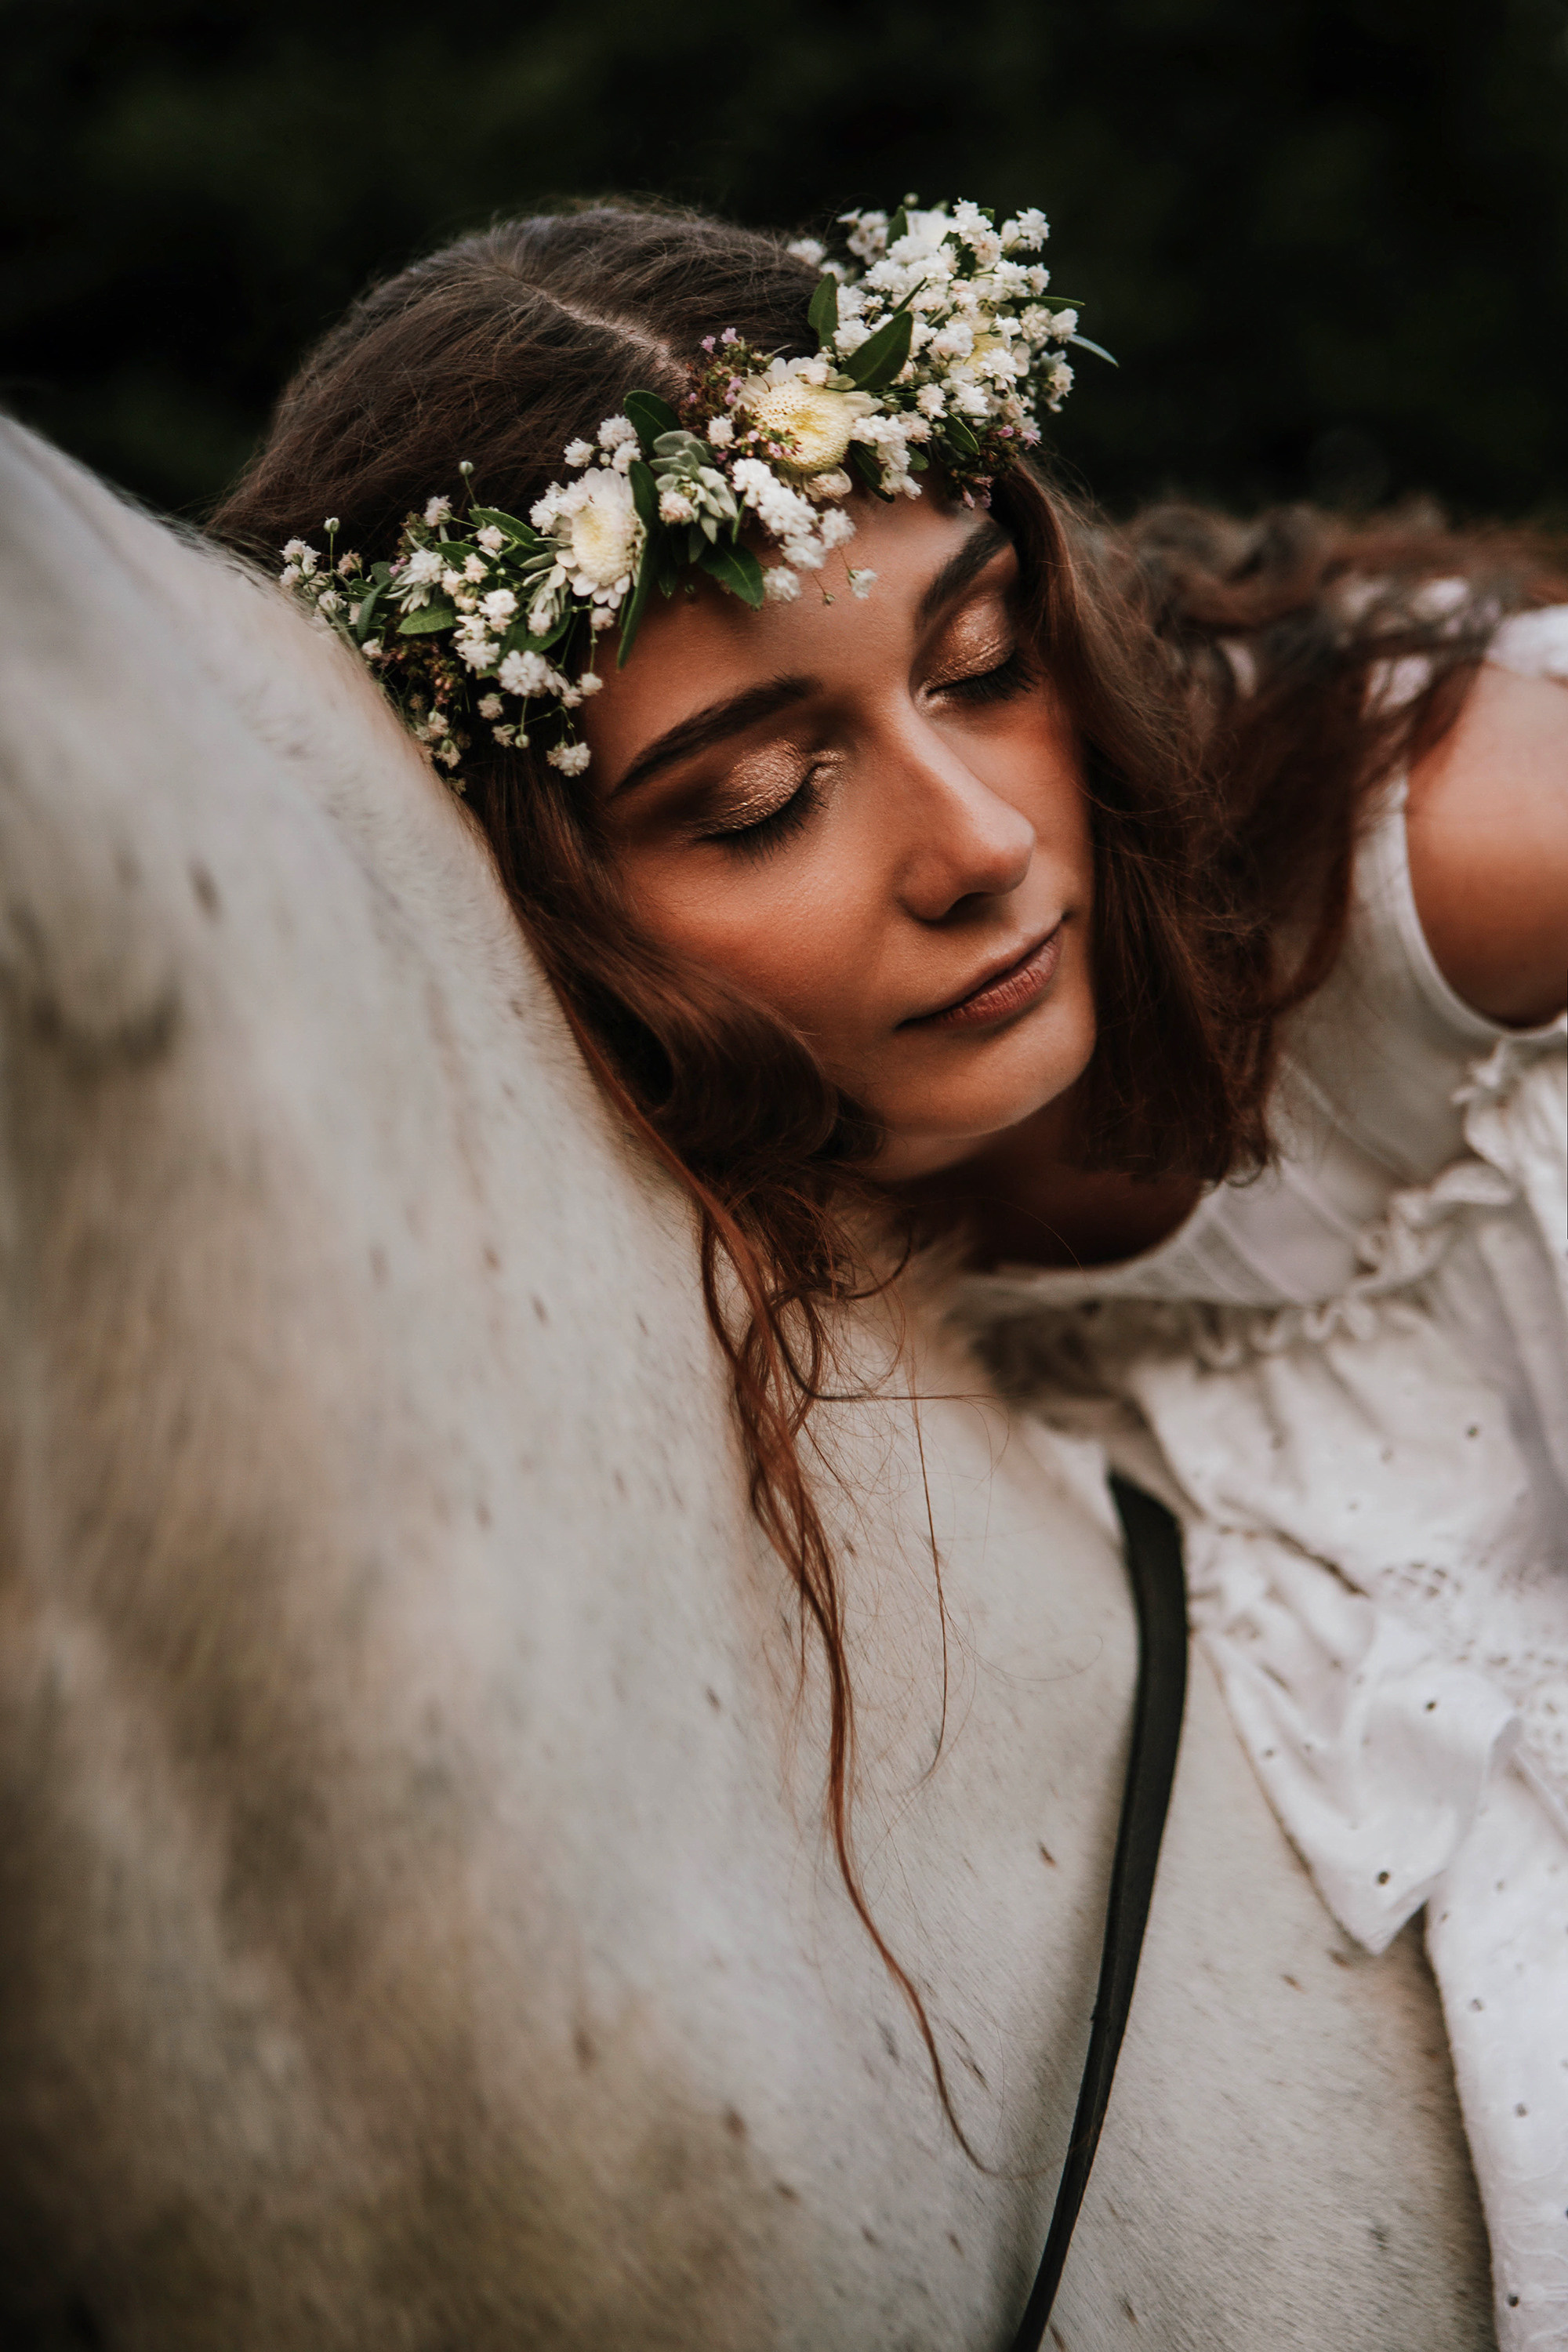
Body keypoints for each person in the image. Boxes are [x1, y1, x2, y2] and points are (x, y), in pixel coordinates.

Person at [212, 196, 1567, 2344]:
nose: (982, 845)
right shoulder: (618, 1198)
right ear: (525, 904)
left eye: (985, 667)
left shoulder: (1476, 846)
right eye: (762, 797)